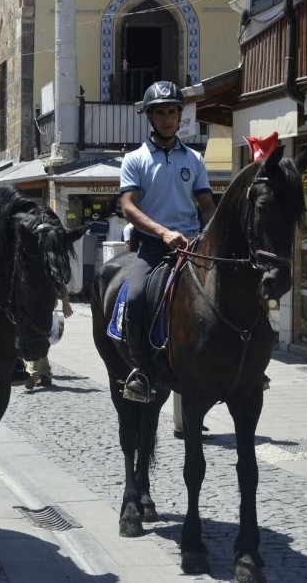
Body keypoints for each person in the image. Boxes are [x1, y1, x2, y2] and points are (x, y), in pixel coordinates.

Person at [120, 81, 216, 402]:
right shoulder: (135, 159)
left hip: (192, 247)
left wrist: (209, 237)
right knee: (135, 297)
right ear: (150, 117)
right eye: (159, 113)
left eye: (172, 112)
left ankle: (237, 364)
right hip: (153, 247)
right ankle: (142, 370)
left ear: (179, 115)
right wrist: (162, 232)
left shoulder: (195, 160)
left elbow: (206, 206)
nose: (166, 118)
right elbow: (129, 206)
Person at [24, 292, 73, 390]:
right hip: (35, 300)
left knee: (33, 336)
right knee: (40, 338)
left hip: (39, 300)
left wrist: (65, 301)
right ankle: (45, 374)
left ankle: (32, 375)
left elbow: (61, 278)